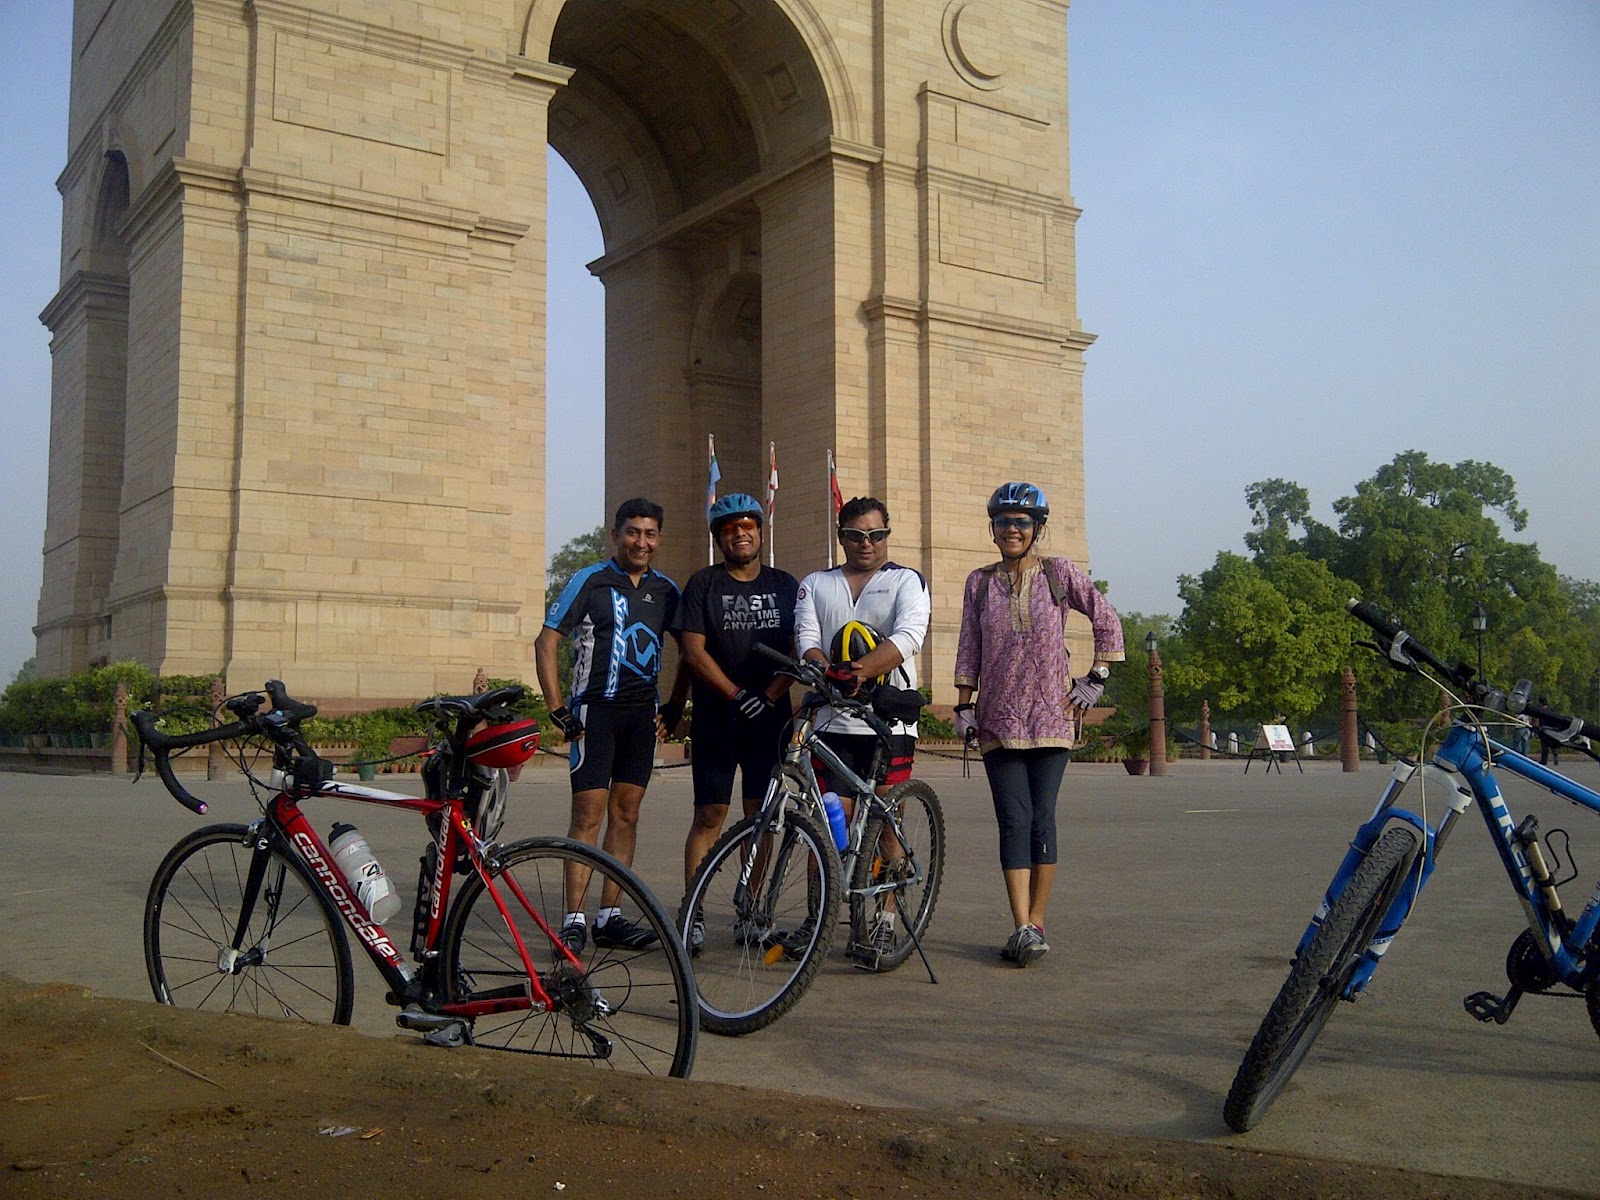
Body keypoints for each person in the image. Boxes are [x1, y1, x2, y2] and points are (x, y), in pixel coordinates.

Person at [952, 482, 1124, 968]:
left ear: (1037, 529)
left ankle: (1038, 921)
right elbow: (969, 646)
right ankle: (1021, 925)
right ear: (992, 528)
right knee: (1013, 819)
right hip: (998, 720)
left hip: (1051, 717)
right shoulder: (979, 583)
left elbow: (1107, 619)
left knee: (1041, 818)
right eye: (1004, 521)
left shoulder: (1059, 574)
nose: (1012, 529)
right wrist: (963, 706)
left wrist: (1096, 677)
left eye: (1022, 522)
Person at [536, 498, 683, 951]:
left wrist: (675, 706)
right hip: (594, 714)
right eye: (632, 532)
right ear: (616, 534)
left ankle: (609, 917)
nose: (641, 542)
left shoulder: (667, 590)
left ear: (659, 538)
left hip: (641, 717)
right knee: (587, 816)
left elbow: (691, 649)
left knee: (627, 815)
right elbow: (546, 640)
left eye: (650, 534)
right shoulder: (591, 579)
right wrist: (557, 707)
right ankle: (574, 919)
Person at [794, 495, 931, 961]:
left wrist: (859, 672)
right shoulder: (816, 584)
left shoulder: (906, 580)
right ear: (842, 537)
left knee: (884, 823)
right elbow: (807, 639)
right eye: (855, 535)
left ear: (887, 535)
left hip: (889, 721)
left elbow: (909, 636)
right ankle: (817, 920)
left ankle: (886, 921)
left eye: (876, 534)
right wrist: (825, 670)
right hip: (832, 722)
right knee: (825, 824)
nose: (866, 543)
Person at [671, 493, 800, 956]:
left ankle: (751, 912)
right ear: (718, 538)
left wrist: (770, 695)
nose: (740, 534)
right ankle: (694, 913)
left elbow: (798, 646)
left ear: (760, 532)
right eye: (729, 528)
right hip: (718, 717)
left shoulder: (785, 585)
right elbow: (692, 651)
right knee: (709, 815)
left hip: (770, 718)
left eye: (748, 526)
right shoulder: (703, 584)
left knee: (760, 818)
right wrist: (734, 694)